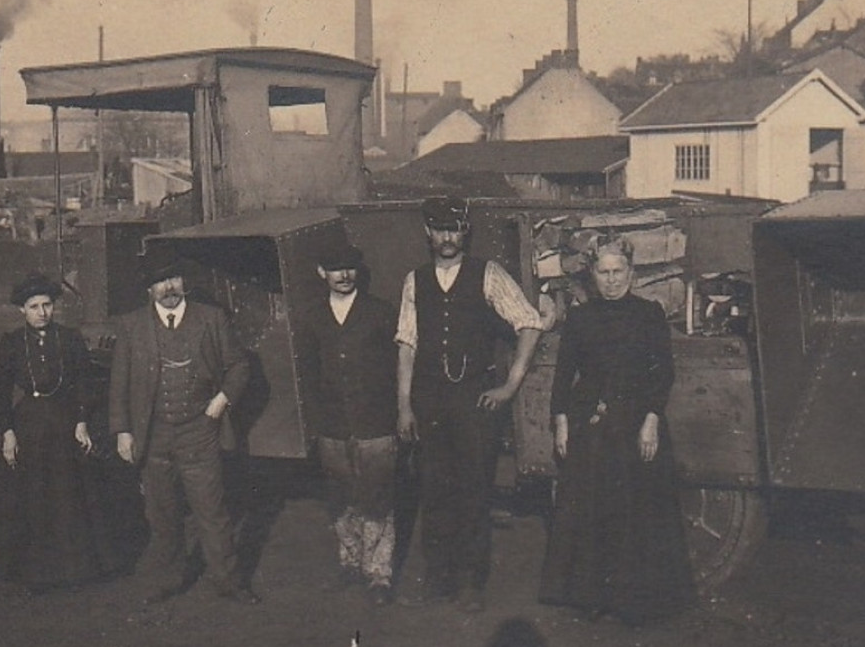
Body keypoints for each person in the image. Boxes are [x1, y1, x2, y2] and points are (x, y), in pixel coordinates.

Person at [396, 196, 545, 611]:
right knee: (434, 489)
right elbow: (407, 345)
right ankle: (437, 578)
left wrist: (510, 385)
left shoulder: (487, 274)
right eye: (440, 229)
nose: (447, 238)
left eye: (455, 229)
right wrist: (404, 407)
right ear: (428, 233)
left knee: (474, 492)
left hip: (473, 401)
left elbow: (529, 323)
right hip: (428, 399)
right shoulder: (416, 280)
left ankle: (470, 583)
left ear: (466, 232)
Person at [538, 235, 694, 624]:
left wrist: (652, 421)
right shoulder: (580, 317)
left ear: (631, 272)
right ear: (592, 275)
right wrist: (561, 423)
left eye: (617, 272)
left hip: (635, 426)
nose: (611, 280)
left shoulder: (649, 314)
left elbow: (663, 372)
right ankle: (593, 596)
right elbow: (564, 374)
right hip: (592, 427)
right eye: (603, 273)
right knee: (594, 512)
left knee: (637, 511)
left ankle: (635, 602)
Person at [109, 248, 257, 604]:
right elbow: (120, 383)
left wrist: (221, 400)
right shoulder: (132, 326)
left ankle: (229, 581)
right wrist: (123, 430)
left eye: (174, 279)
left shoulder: (211, 319)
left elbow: (239, 366)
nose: (169, 287)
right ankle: (168, 579)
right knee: (162, 514)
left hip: (199, 432)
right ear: (150, 289)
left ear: (183, 282)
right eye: (160, 282)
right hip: (153, 434)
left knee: (212, 512)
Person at [0, 271, 117, 592]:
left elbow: (85, 384)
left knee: (69, 496)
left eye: (47, 305)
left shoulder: (69, 339)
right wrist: (8, 432)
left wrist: (82, 421)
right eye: (34, 307)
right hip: (28, 425)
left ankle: (75, 569)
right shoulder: (12, 343)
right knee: (30, 496)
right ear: (22, 310)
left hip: (64, 423)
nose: (42, 312)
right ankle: (32, 572)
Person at [292, 236, 400, 603]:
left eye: (350, 268)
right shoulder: (312, 317)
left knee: (378, 497)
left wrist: (396, 416)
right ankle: (350, 564)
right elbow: (307, 373)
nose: (344, 275)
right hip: (333, 425)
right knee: (340, 497)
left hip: (376, 424)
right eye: (336, 269)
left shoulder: (380, 313)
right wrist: (316, 421)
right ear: (322, 272)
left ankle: (378, 574)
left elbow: (397, 368)